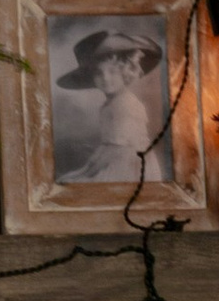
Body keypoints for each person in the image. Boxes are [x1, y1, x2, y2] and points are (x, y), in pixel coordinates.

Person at [50, 22, 179, 186]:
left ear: (126, 72)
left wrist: (86, 173)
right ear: (91, 77)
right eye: (98, 73)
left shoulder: (125, 105)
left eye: (113, 71)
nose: (105, 78)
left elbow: (118, 152)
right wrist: (84, 170)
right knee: (70, 179)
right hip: (116, 159)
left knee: (79, 184)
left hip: (131, 166)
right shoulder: (111, 104)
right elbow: (108, 148)